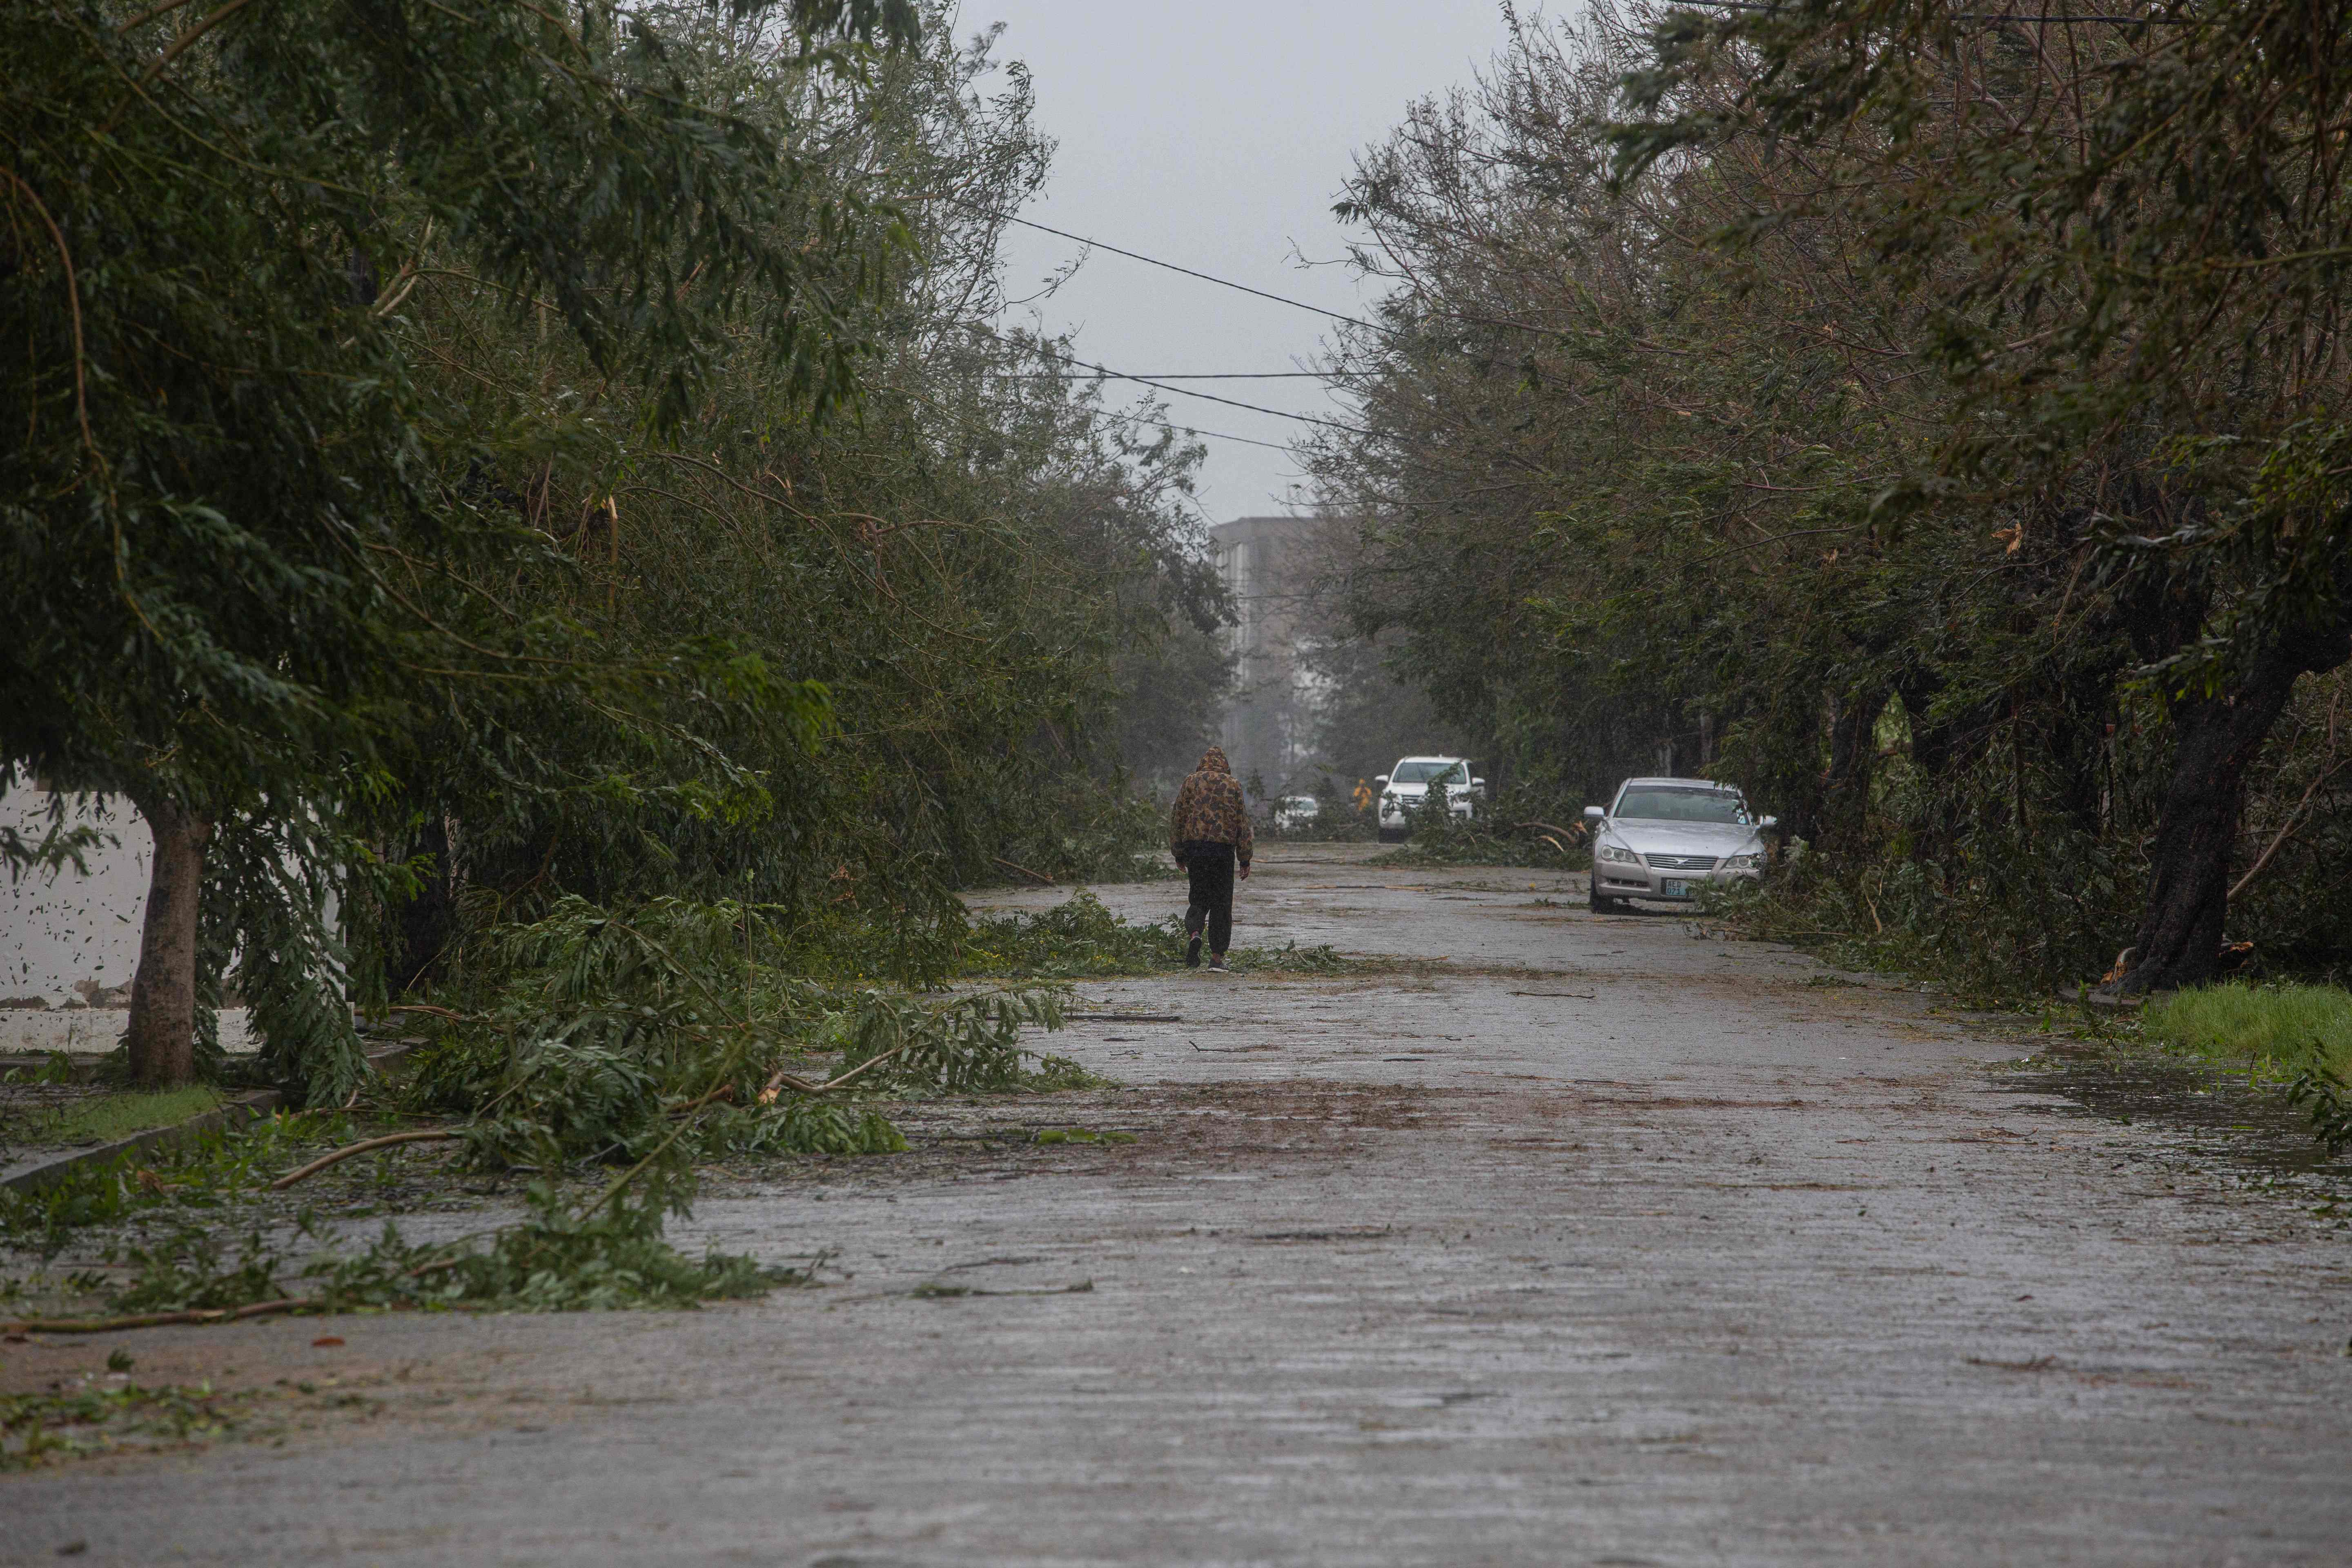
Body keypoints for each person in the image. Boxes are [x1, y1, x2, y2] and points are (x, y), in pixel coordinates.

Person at [1169, 746, 1253, 970]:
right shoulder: (1233, 784)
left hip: (1195, 849)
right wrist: (1244, 859)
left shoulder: (1190, 782)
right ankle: (1216, 958)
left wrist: (1178, 852)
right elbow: (1242, 823)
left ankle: (1195, 933)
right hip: (1222, 851)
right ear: (1225, 765)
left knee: (1198, 897)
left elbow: (1178, 817)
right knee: (1222, 904)